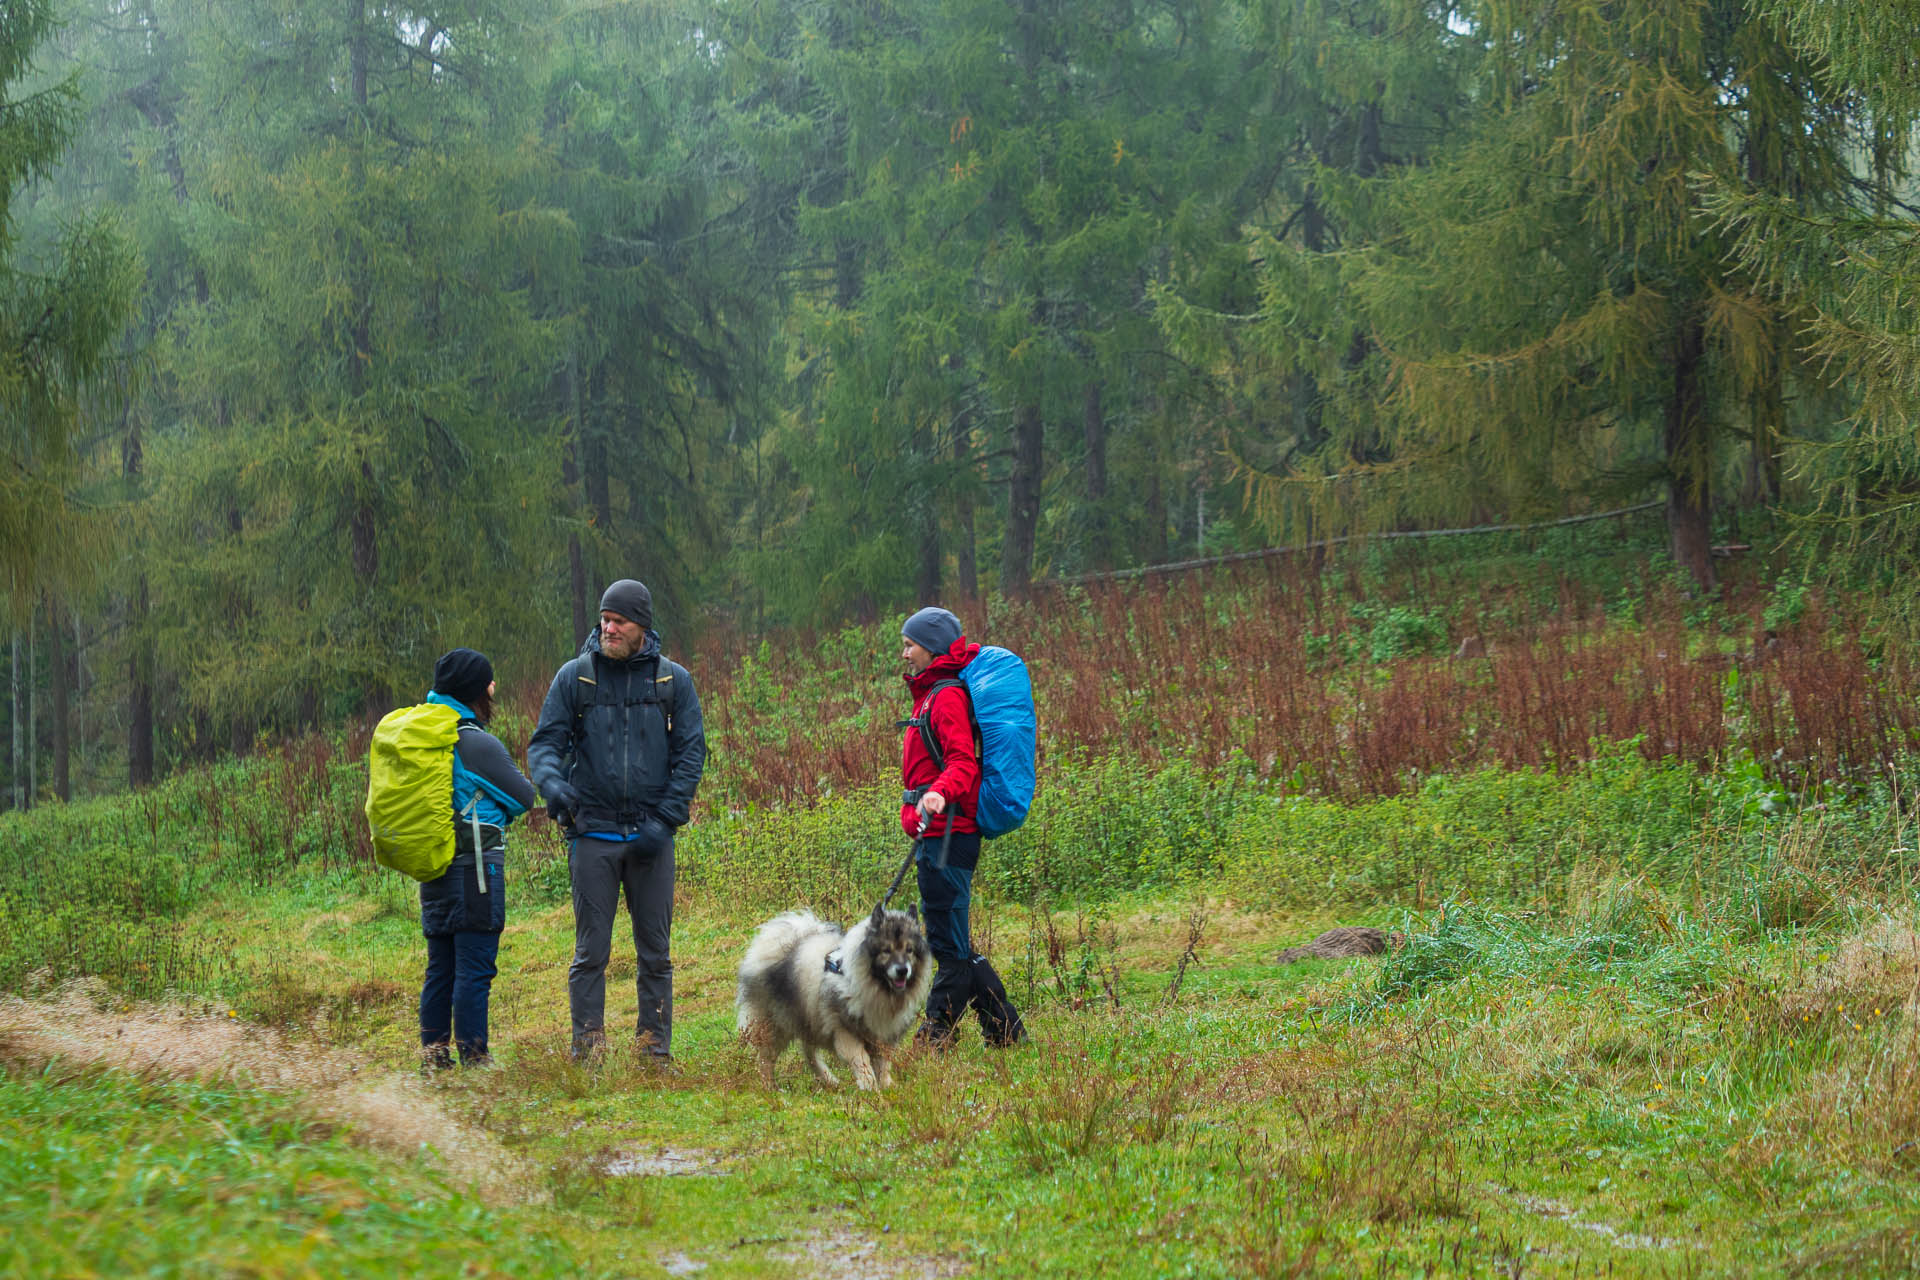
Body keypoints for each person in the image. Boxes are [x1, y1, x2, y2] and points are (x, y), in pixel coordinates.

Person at [528, 579, 707, 1063]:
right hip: (592, 837)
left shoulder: (673, 683)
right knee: (591, 954)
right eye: (604, 619)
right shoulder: (575, 678)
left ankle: (653, 1052)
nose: (607, 627)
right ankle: (587, 1054)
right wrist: (551, 783)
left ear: (641, 627)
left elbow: (691, 756)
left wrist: (665, 821)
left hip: (652, 838)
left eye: (618, 621)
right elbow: (544, 744)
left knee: (656, 955)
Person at [898, 606, 1026, 1048]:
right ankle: (1005, 1030)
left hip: (949, 833)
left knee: (948, 946)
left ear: (931, 649)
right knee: (953, 938)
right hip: (934, 834)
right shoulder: (930, 696)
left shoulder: (947, 696)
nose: (904, 653)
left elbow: (962, 762)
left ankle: (935, 1038)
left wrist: (939, 792)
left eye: (910, 644)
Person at [417, 648, 536, 1068]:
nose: (494, 688)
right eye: (489, 681)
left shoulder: (424, 735)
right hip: (475, 872)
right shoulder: (475, 743)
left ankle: (433, 1060)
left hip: (432, 869)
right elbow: (524, 797)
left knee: (441, 969)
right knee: (474, 968)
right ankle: (475, 1058)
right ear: (476, 689)